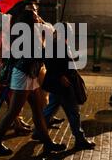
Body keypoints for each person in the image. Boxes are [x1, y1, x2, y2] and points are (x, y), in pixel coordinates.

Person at [0, 9, 66, 155]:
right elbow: (39, 52)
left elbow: (50, 31)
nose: (39, 18)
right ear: (29, 21)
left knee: (37, 111)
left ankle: (47, 143)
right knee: (13, 112)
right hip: (23, 75)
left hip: (31, 75)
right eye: (36, 17)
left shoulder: (32, 32)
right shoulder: (26, 35)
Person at [33, 22, 95, 150]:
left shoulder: (60, 43)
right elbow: (50, 62)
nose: (71, 32)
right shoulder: (56, 44)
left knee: (51, 108)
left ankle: (38, 131)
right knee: (73, 112)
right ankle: (80, 139)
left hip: (60, 83)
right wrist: (60, 75)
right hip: (63, 84)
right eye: (69, 30)